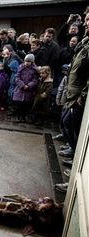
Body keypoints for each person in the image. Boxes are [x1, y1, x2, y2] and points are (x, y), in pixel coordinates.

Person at [59, 7, 89, 160]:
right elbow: (63, 36)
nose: (86, 23)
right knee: (66, 122)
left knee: (70, 123)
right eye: (86, 19)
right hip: (71, 91)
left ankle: (75, 157)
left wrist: (81, 97)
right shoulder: (84, 42)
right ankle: (71, 147)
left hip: (79, 96)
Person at [12, 53, 39, 123]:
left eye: (28, 61)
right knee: (19, 104)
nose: (26, 63)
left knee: (26, 104)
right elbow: (17, 77)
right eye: (25, 61)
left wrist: (29, 85)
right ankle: (19, 116)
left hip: (28, 90)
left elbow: (35, 80)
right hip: (20, 89)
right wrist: (22, 85)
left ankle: (24, 117)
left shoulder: (34, 70)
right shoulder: (21, 67)